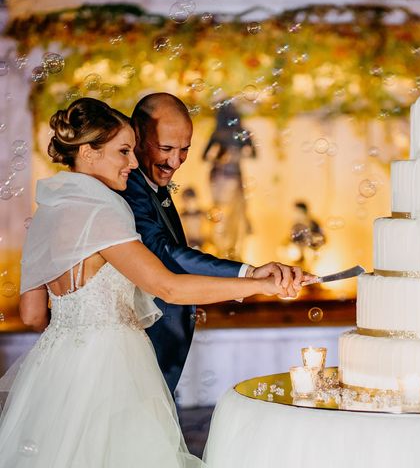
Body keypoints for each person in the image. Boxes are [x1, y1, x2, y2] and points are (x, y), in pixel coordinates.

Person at [0, 98, 302, 467]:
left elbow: (31, 315)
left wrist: (77, 331)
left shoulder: (48, 210)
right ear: (88, 153)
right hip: (115, 368)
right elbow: (168, 287)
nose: (132, 162)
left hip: (57, 370)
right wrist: (258, 284)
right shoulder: (105, 210)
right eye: (123, 151)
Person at [120, 93, 303, 395]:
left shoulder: (151, 183)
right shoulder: (130, 187)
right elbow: (164, 255)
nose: (175, 161)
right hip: (136, 346)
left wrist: (250, 272)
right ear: (137, 136)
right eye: (166, 148)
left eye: (184, 150)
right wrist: (249, 276)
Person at [202, 100, 255, 260]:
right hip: (229, 178)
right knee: (229, 214)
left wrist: (219, 156)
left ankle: (226, 249)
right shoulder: (239, 132)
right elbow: (253, 154)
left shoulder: (218, 133)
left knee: (225, 214)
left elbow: (204, 157)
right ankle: (226, 249)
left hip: (222, 178)